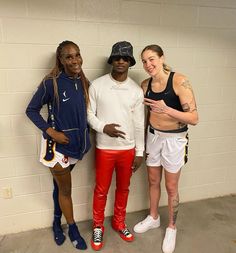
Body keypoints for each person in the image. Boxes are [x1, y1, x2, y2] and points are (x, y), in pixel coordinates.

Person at [26, 40, 91, 250]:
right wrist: (51, 131)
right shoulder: (51, 82)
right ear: (61, 60)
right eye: (69, 57)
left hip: (77, 146)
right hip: (57, 148)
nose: (75, 60)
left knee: (59, 187)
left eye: (77, 55)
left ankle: (56, 221)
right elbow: (31, 110)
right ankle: (71, 228)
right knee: (65, 190)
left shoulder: (82, 80)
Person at [133, 44, 199, 253]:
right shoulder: (145, 85)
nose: (148, 64)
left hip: (175, 140)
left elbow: (194, 118)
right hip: (153, 137)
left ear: (162, 58)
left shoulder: (179, 81)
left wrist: (166, 109)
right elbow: (141, 116)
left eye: (152, 59)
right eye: (144, 61)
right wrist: (141, 144)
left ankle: (171, 227)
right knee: (153, 180)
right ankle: (153, 217)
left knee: (171, 187)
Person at [87, 41, 145, 251]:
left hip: (127, 150)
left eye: (125, 58)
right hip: (105, 148)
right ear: (112, 60)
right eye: (117, 57)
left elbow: (139, 123)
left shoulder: (135, 90)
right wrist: (103, 127)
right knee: (101, 189)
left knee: (124, 188)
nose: (121, 61)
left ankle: (119, 222)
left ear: (130, 62)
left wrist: (139, 152)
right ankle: (98, 225)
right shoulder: (97, 85)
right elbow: (89, 115)